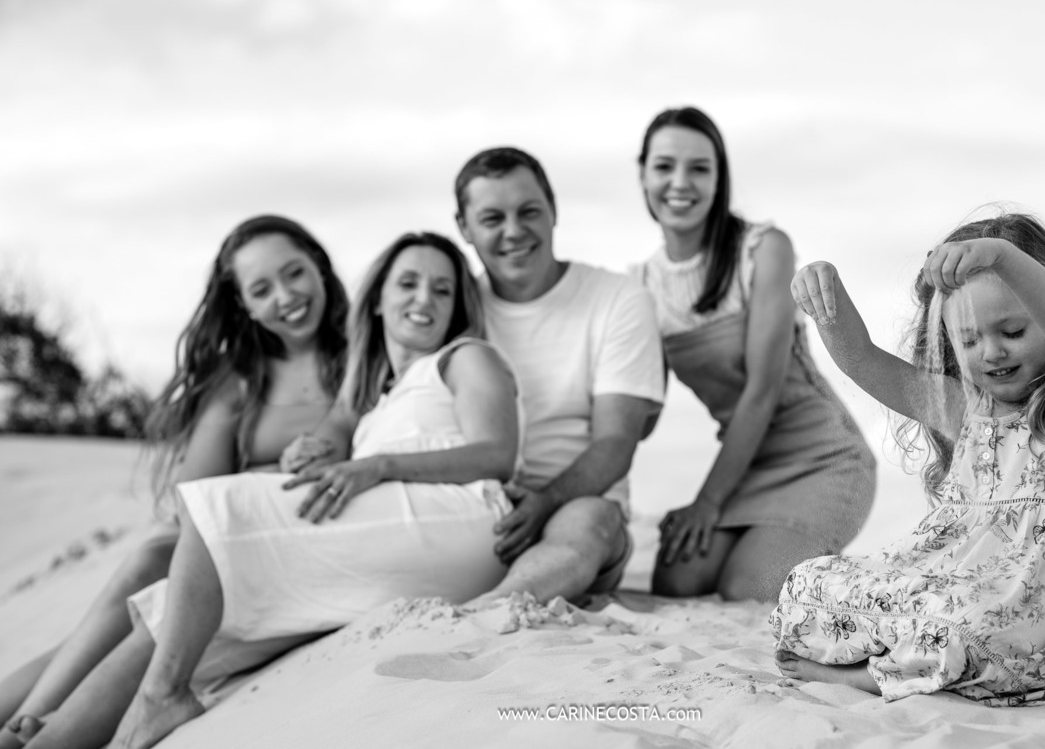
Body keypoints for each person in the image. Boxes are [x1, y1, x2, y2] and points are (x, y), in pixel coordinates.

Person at [30, 232, 521, 749]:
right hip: (400, 537)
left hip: (465, 523)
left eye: (442, 290)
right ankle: (46, 737)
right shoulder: (378, 398)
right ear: (378, 297)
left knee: (222, 505)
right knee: (176, 611)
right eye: (409, 283)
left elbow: (497, 455)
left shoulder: (465, 357)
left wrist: (377, 466)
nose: (425, 299)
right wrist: (309, 454)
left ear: (457, 306)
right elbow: (336, 437)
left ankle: (162, 696)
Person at [772, 211, 1045, 714]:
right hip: (961, 592)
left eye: (1012, 330)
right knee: (808, 581)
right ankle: (909, 663)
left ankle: (868, 675)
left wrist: (1003, 257)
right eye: (971, 339)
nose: (992, 352)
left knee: (969, 628)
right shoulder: (966, 412)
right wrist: (826, 301)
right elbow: (864, 360)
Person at [0, 214, 349, 747]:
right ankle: (31, 719)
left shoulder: (364, 352)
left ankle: (32, 721)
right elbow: (194, 499)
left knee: (127, 604)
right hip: (213, 532)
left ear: (319, 267)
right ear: (244, 305)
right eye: (262, 289)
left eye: (294, 273)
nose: (286, 297)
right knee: (147, 567)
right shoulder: (240, 378)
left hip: (290, 535)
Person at [631, 106, 877, 602]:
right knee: (677, 582)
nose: (680, 182)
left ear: (718, 178)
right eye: (664, 166)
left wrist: (706, 503)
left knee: (747, 588)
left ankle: (843, 575)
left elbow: (762, 392)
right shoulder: (642, 285)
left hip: (824, 459)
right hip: (747, 467)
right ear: (643, 174)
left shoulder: (764, 249)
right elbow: (642, 413)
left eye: (699, 168)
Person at [453, 147, 665, 605]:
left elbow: (617, 442)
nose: (514, 231)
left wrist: (544, 501)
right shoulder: (453, 305)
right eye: (492, 218)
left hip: (578, 508)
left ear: (553, 211)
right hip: (474, 499)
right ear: (464, 228)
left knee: (588, 521)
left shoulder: (618, 299)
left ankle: (489, 613)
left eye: (528, 211)